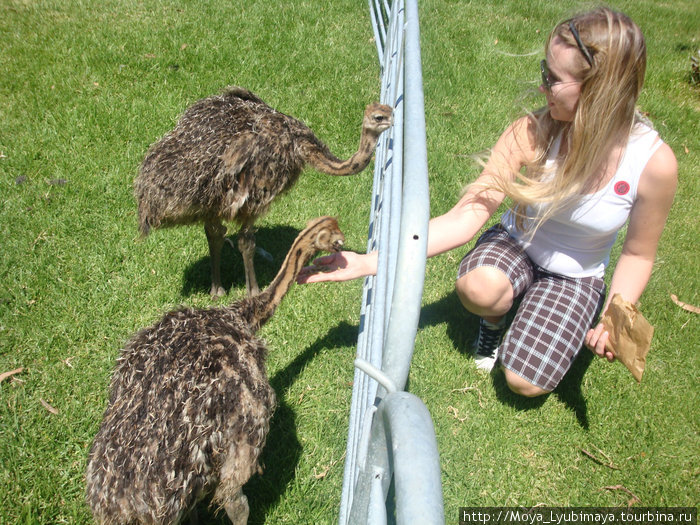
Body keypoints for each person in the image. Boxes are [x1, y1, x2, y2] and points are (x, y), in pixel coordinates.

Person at [298, 7, 677, 397]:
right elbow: (464, 218)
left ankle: (546, 311)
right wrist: (369, 262)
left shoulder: (653, 163)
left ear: (599, 93)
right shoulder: (533, 131)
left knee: (523, 383)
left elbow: (637, 255)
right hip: (518, 244)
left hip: (575, 274)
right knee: (480, 287)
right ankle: (495, 322)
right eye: (543, 71)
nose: (542, 86)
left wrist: (616, 314)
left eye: (553, 78)